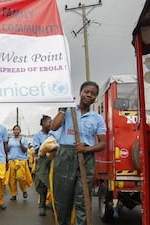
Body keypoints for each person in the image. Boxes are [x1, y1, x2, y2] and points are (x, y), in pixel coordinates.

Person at [51, 81, 106, 225]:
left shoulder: (97, 119)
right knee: (62, 199)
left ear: (95, 97)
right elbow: (54, 126)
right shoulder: (68, 111)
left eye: (93, 93)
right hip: (65, 156)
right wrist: (62, 109)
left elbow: (102, 143)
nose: (89, 95)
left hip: (86, 158)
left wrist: (86, 149)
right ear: (80, 93)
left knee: (83, 199)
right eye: (86, 92)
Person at [33, 115, 53, 216]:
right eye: (49, 122)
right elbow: (36, 149)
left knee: (53, 183)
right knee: (42, 184)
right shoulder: (37, 135)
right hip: (42, 160)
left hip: (53, 159)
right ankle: (42, 205)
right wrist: (46, 146)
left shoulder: (53, 134)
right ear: (43, 123)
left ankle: (54, 205)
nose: (50, 124)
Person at [6, 125, 32, 201]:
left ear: (19, 131)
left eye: (17, 130)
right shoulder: (10, 140)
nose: (16, 131)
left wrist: (20, 142)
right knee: (12, 180)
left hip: (21, 161)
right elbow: (7, 150)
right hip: (12, 161)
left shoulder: (24, 139)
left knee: (20, 177)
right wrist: (6, 144)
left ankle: (24, 191)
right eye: (14, 130)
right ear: (13, 131)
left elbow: (24, 150)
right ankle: (13, 194)